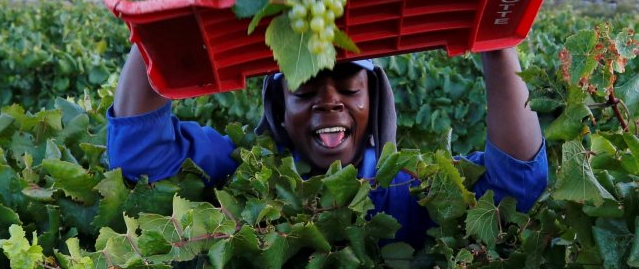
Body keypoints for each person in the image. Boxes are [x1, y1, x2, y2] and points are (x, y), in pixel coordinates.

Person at [107, 44, 547, 247]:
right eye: (305, 91)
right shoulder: (240, 174)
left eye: (350, 90)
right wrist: (160, 28)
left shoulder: (409, 188)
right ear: (279, 110)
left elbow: (513, 189)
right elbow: (140, 153)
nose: (330, 101)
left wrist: (499, 46)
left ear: (375, 105)